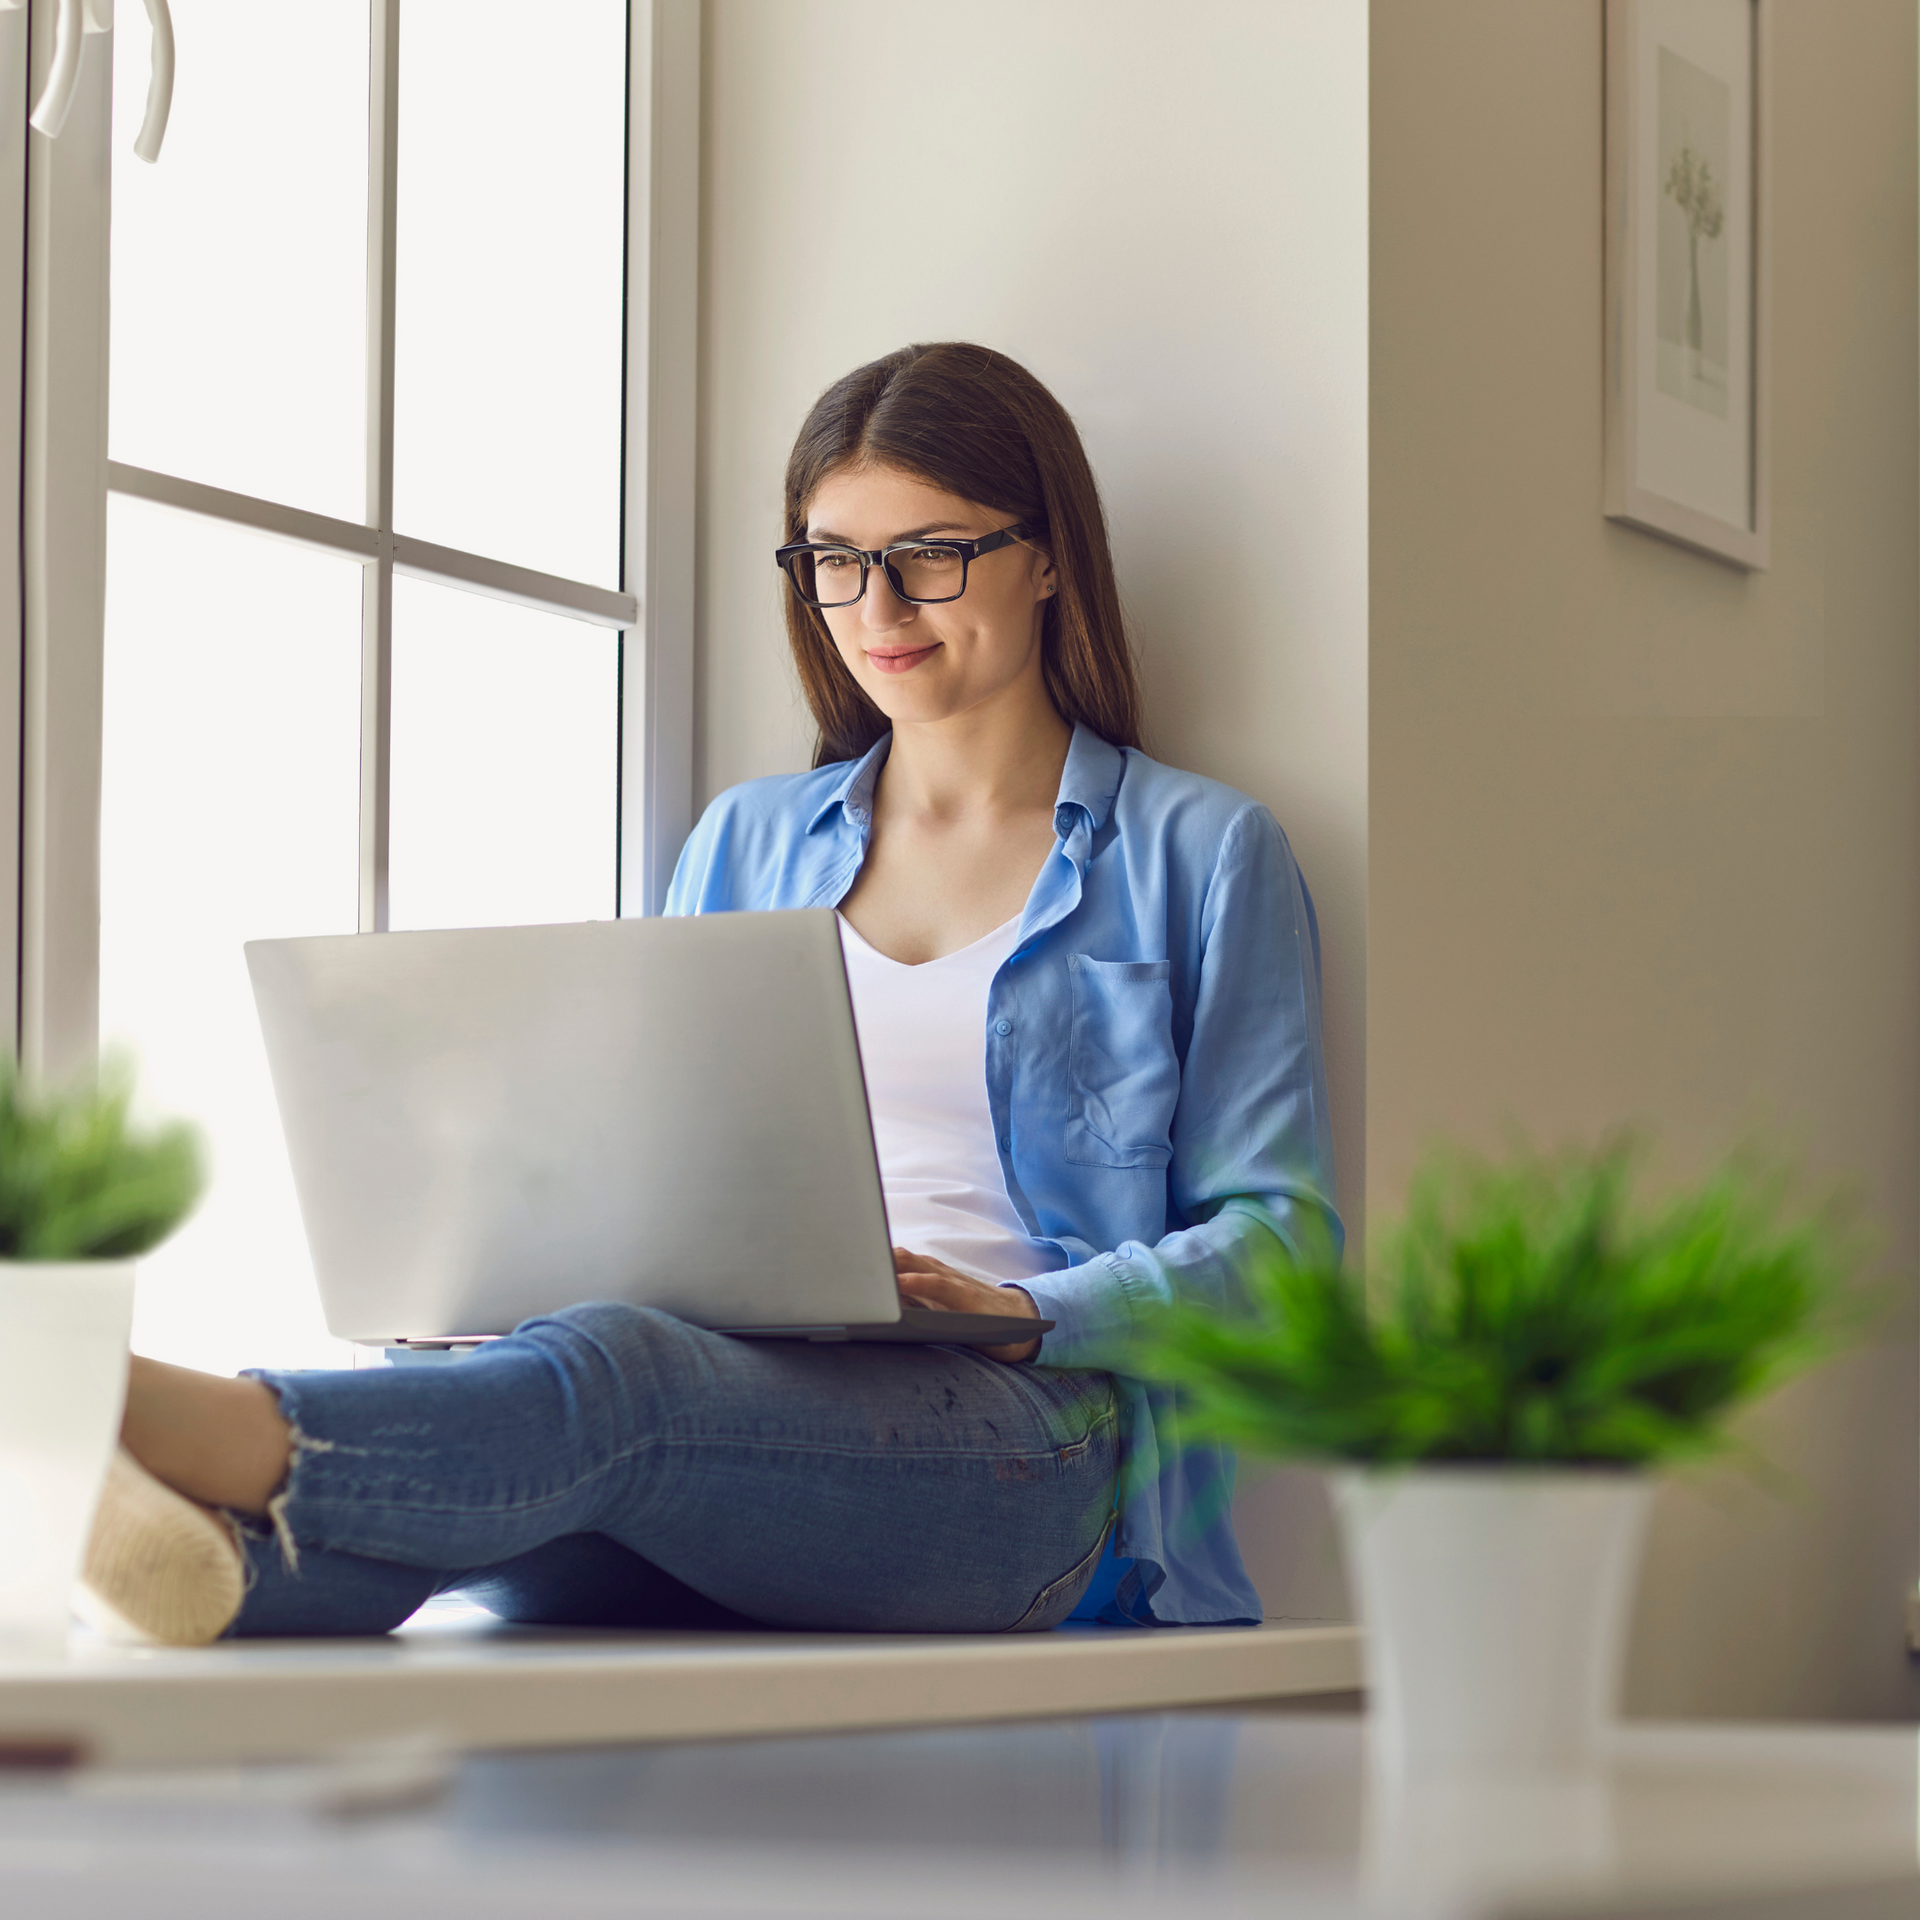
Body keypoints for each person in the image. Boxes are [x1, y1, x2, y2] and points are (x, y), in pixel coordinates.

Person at [83, 341, 1340, 1647]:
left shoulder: (1202, 853)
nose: (878, 612)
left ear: (1048, 555)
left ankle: (139, 1409)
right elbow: (645, 1171)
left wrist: (1023, 1314)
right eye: (834, 561)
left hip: (1029, 1447)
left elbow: (1286, 1255)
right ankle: (203, 1554)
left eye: (929, 554)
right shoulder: (745, 842)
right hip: (726, 1407)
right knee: (506, 1461)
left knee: (619, 1386)